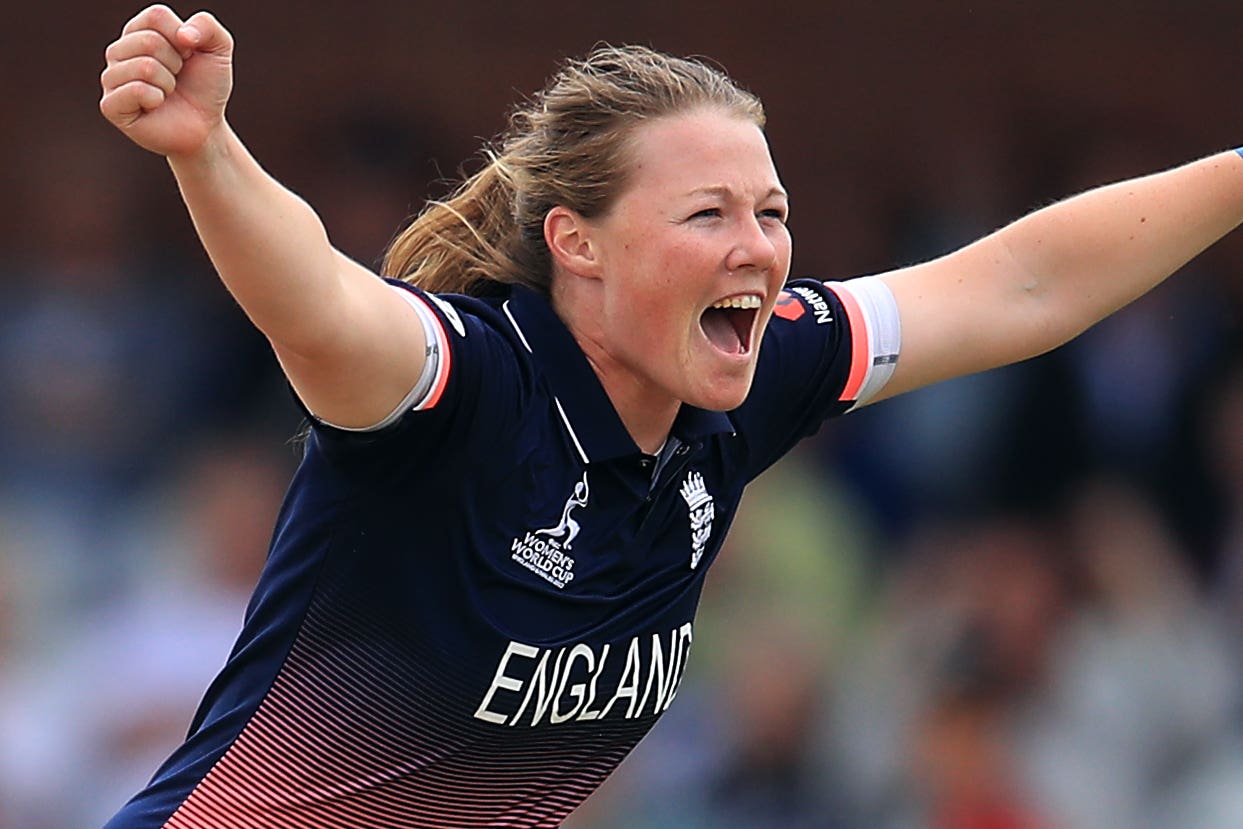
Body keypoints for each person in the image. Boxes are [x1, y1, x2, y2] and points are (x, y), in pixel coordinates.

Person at [96, 4, 1243, 828]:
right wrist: (208, 153)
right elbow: (320, 301)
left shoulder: (742, 386)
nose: (759, 246)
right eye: (707, 213)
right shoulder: (470, 383)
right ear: (576, 243)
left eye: (771, 209)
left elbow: (1021, 283)